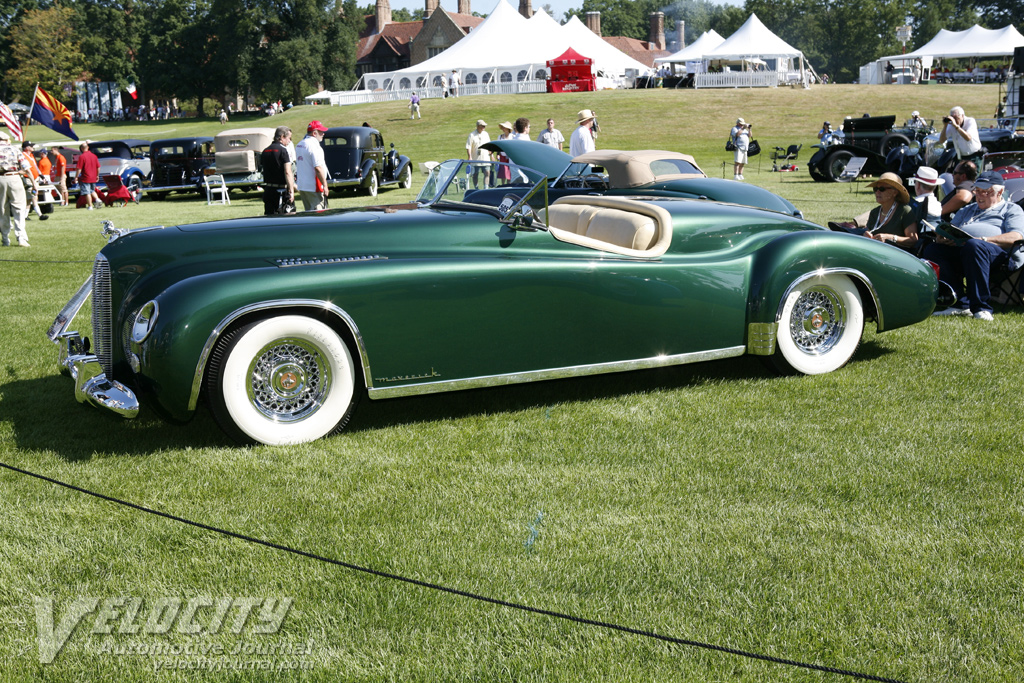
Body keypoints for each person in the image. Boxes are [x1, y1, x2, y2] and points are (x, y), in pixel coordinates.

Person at [926, 170, 1024, 320]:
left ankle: (981, 307)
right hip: (966, 251)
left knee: (974, 246)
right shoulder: (967, 210)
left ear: (1000, 192)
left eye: (985, 191)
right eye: (977, 190)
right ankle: (960, 302)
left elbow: (1016, 236)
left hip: (999, 257)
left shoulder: (1011, 209)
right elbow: (952, 229)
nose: (979, 195)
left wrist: (983, 240)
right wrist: (943, 238)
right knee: (933, 249)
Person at [0, 131, 31, 247]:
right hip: (14, 177)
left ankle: (5, 239)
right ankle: (21, 238)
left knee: (2, 210)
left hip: (0, 180)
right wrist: (33, 183)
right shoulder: (14, 149)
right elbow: (26, 167)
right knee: (19, 209)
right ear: (6, 140)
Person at [260, 125, 295, 216]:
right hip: (281, 191)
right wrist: (291, 191)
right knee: (287, 218)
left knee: (270, 218)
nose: (289, 141)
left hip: (268, 190)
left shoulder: (265, 151)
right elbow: (287, 171)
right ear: (282, 137)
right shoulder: (283, 150)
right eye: (289, 138)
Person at [295, 120, 329, 211]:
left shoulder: (300, 144)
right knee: (318, 215)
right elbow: (318, 167)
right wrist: (325, 185)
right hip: (314, 186)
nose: (323, 134)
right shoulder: (315, 146)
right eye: (321, 132)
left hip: (303, 185)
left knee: (309, 214)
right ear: (314, 133)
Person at [75, 141, 101, 210]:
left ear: (81, 149)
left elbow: (79, 168)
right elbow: (98, 167)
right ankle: (97, 199)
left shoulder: (82, 156)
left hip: (86, 177)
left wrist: (76, 177)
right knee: (92, 190)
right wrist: (97, 175)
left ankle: (90, 206)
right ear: (88, 147)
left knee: (87, 192)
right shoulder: (94, 156)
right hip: (93, 177)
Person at [465, 119, 491, 189]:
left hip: (485, 158)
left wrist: (490, 153)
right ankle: (476, 188)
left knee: (487, 172)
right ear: (478, 126)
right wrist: (469, 156)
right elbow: (468, 146)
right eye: (482, 126)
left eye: (484, 126)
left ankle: (486, 188)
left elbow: (489, 144)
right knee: (475, 174)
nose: (484, 127)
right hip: (475, 159)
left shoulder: (486, 134)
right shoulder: (472, 135)